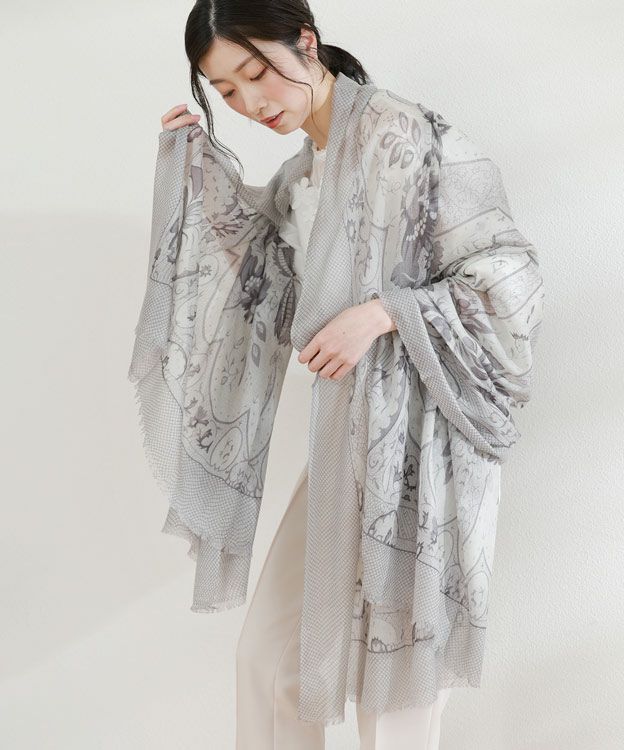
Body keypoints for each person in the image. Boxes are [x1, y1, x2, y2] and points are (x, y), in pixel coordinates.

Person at [145, 0, 544, 746]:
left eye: (256, 72)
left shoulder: (404, 134)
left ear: (306, 41)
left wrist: (386, 314)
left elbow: (510, 274)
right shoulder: (304, 173)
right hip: (342, 442)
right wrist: (197, 171)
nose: (250, 102)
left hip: (421, 444)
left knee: (395, 696)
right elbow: (265, 279)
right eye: (226, 90)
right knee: (270, 661)